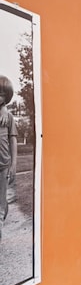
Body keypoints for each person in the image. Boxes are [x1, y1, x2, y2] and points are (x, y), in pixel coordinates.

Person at [0, 76, 17, 241]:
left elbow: (13, 140)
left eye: (2, 95)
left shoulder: (9, 117)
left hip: (4, 165)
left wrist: (14, 165)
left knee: (1, 198)